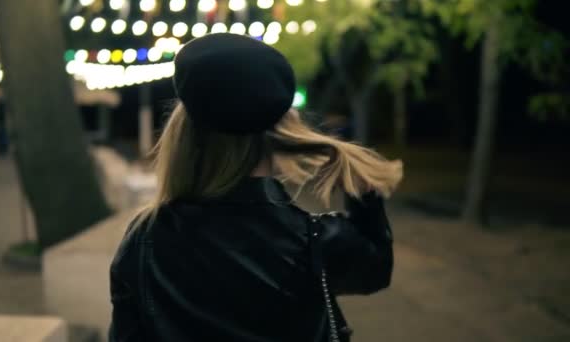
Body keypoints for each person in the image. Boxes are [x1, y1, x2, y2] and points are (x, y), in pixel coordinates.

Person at [109, 33, 403, 342]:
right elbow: (376, 268)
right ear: (279, 136)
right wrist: (365, 197)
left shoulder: (144, 239)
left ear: (185, 137)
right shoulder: (310, 240)